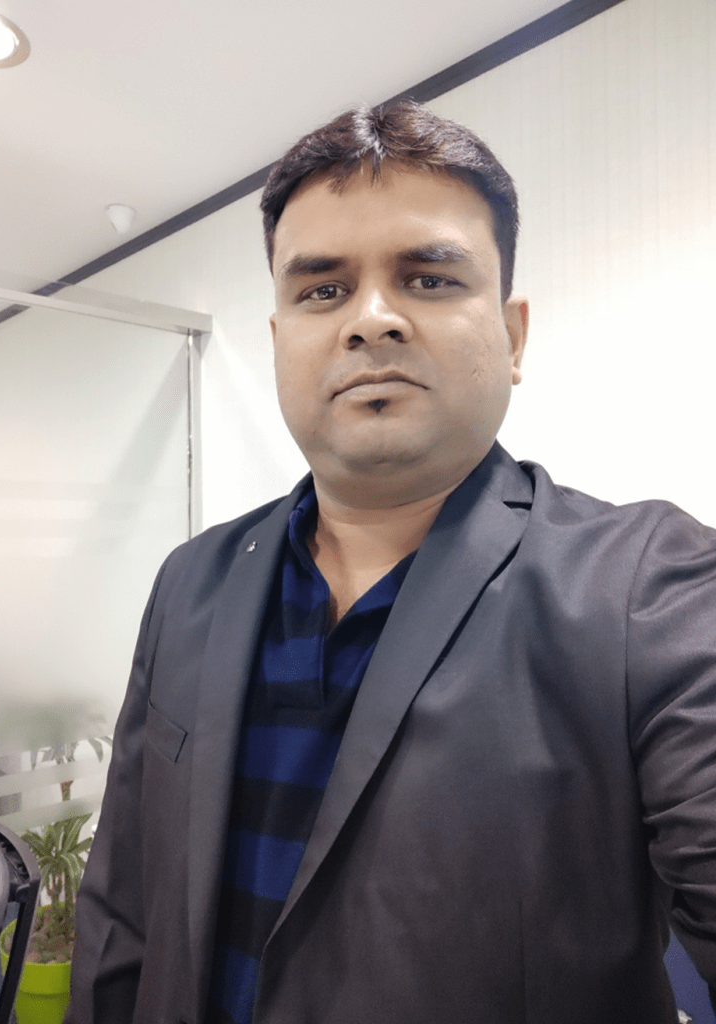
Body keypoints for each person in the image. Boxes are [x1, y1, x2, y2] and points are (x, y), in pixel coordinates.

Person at [67, 101, 716, 1024]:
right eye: (322, 291)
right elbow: (122, 914)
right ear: (280, 340)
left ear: (513, 335)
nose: (372, 320)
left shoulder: (649, 586)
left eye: (430, 278)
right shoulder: (190, 581)